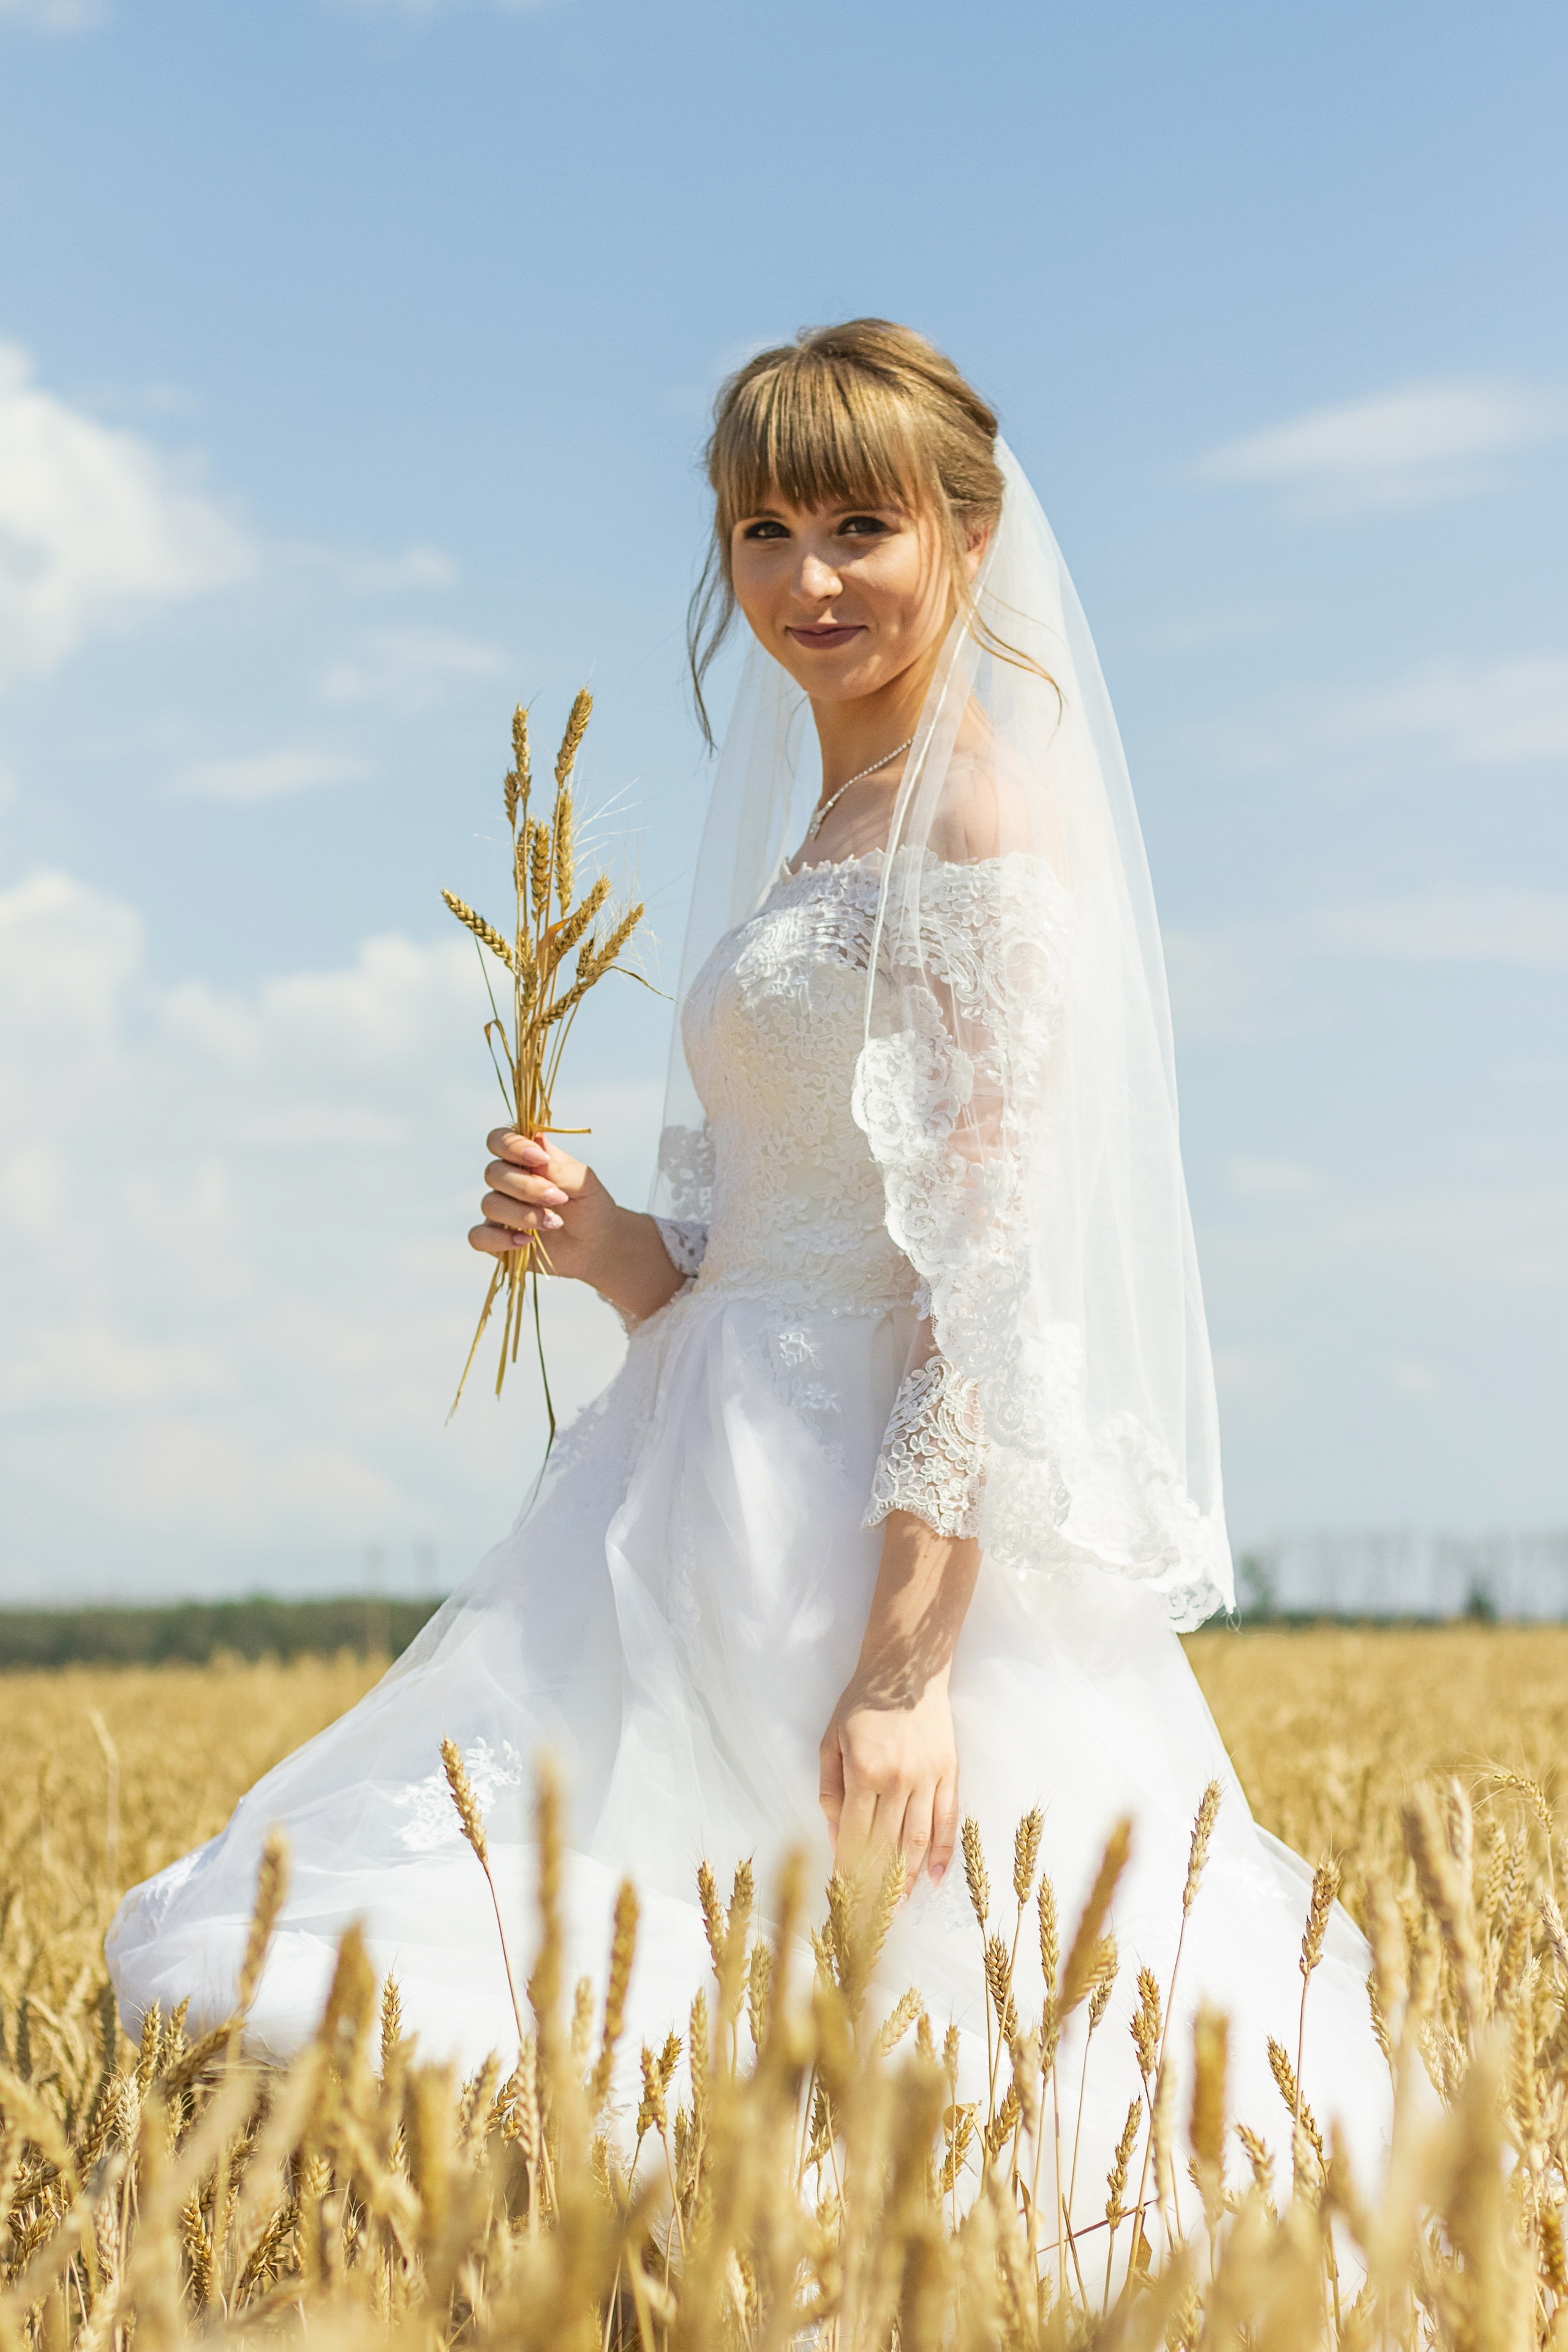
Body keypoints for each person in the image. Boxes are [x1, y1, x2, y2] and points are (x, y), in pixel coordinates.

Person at [108, 319, 1388, 2204]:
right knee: (627, 2025)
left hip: (865, 1537)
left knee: (916, 2070)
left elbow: (989, 1286)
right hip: (695, 1472)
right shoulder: (824, 827)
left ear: (966, 532)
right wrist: (615, 1244)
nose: (806, 579)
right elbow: (784, 1234)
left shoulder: (974, 820)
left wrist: (903, 1672)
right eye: (764, 529)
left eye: (860, 524)